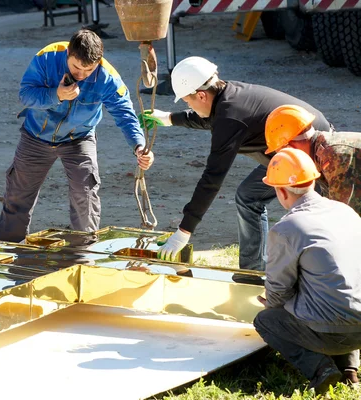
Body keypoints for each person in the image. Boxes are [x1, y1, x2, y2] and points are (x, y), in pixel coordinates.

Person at [138, 56, 330, 271]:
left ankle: (319, 282)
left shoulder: (230, 117)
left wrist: (184, 231)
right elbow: (209, 117)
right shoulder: (227, 96)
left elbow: (213, 177)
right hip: (287, 152)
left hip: (310, 150)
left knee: (318, 216)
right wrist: (170, 118)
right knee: (249, 196)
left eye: (186, 101)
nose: (188, 105)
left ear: (201, 94)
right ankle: (252, 272)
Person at [0, 29, 154, 243]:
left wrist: (139, 145)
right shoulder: (47, 57)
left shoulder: (107, 77)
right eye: (77, 67)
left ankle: (84, 254)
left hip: (79, 139)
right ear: (68, 53)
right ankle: (4, 251)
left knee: (85, 197)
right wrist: (56, 95)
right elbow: (26, 95)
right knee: (17, 198)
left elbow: (124, 113)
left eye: (88, 70)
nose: (82, 74)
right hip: (36, 136)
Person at [253, 148, 361, 394]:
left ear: (281, 191)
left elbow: (278, 290)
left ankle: (321, 370)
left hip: (329, 334)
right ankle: (349, 370)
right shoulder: (346, 211)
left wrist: (271, 302)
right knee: (343, 291)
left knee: (267, 320)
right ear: (313, 181)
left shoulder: (288, 228)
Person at [265, 104, 361, 214]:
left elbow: (343, 216)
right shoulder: (321, 154)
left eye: (281, 151)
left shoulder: (333, 157)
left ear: (289, 147)